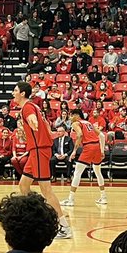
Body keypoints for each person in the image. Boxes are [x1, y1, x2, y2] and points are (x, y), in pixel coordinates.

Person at [12, 81, 73, 239]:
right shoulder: (33, 106)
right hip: (36, 150)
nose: (13, 93)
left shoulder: (28, 107)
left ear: (23, 93)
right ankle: (33, 216)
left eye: (15, 90)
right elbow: (45, 124)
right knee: (23, 185)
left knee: (46, 190)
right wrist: (50, 133)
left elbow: (33, 118)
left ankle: (64, 227)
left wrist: (33, 123)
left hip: (39, 150)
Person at [62, 110, 107, 207]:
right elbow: (102, 136)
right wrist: (102, 150)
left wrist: (74, 151)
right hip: (97, 146)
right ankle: (103, 197)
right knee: (98, 172)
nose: (70, 118)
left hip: (89, 147)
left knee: (77, 173)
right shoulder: (88, 123)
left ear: (77, 116)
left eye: (71, 115)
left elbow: (80, 135)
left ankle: (71, 200)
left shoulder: (76, 123)